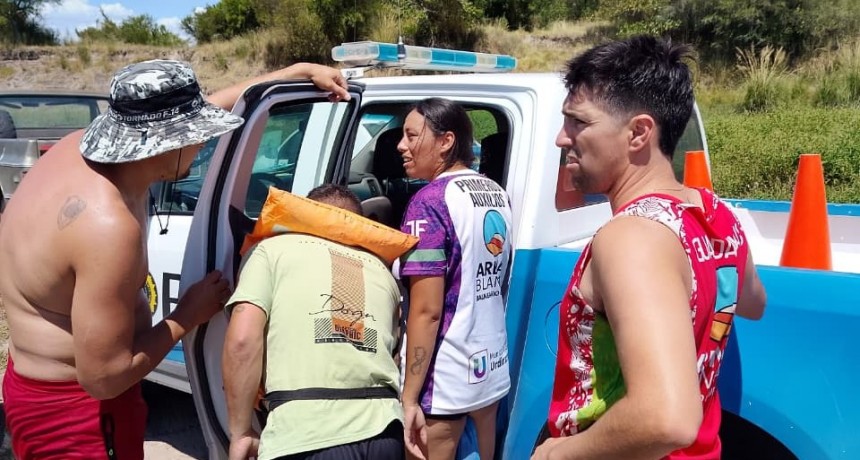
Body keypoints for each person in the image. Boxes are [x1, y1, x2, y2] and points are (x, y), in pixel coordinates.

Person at [0, 59, 349, 460]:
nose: (203, 144)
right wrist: (185, 316)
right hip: (77, 417)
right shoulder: (107, 227)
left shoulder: (77, 148)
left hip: (33, 389)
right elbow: (103, 378)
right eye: (197, 135)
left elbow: (196, 107)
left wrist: (291, 74)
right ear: (166, 141)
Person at [531, 36, 767, 460]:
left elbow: (666, 418)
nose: (561, 139)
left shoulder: (632, 236)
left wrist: (554, 454)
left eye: (578, 122)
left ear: (638, 132)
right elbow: (753, 302)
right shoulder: (715, 213)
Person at [222, 183, 405, 460]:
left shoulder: (270, 251)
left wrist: (240, 431)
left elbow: (242, 341)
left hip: (304, 434)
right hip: (385, 432)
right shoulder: (383, 270)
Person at [398, 98, 514, 460]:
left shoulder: (429, 202)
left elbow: (427, 311)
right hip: (490, 367)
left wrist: (409, 397)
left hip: (445, 378)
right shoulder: (496, 192)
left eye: (411, 136)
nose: (401, 146)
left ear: (445, 141)